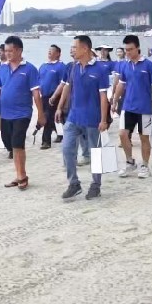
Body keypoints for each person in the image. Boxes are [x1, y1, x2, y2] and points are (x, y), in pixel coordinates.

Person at [0, 36, 44, 190]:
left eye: (11, 51)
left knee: (18, 144)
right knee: (9, 144)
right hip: (5, 113)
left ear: (19, 50)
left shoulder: (30, 69)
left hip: (22, 113)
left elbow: (36, 94)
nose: (7, 54)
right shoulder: (3, 68)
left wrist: (41, 114)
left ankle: (22, 176)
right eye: (6, 51)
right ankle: (18, 174)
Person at [56, 34, 110, 200]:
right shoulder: (73, 67)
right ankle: (74, 183)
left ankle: (96, 185)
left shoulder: (100, 70)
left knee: (95, 153)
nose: (72, 49)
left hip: (93, 119)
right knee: (67, 149)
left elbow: (103, 97)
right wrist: (59, 107)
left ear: (85, 48)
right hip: (73, 116)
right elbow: (67, 86)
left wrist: (103, 119)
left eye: (75, 46)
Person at [113, 34, 152, 179]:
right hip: (128, 106)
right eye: (126, 50)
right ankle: (130, 162)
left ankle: (145, 166)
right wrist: (115, 100)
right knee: (122, 135)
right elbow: (121, 85)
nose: (127, 52)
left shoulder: (149, 65)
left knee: (144, 138)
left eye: (130, 49)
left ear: (138, 48)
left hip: (144, 108)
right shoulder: (125, 65)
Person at [36, 44, 68, 149]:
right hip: (43, 95)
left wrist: (56, 96)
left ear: (58, 53)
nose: (49, 52)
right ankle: (60, 133)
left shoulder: (61, 66)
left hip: (54, 96)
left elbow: (63, 83)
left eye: (52, 50)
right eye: (48, 50)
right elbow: (38, 80)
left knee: (48, 117)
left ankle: (46, 141)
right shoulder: (43, 65)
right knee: (48, 116)